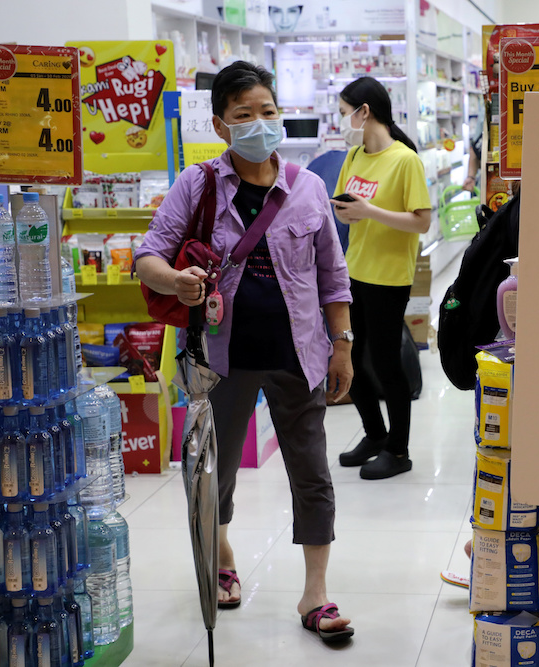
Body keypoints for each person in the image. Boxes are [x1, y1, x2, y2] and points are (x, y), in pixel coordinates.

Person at [135, 61, 354, 643]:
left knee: (312, 475)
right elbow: (148, 256)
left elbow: (334, 279)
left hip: (299, 354)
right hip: (220, 361)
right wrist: (175, 280)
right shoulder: (198, 184)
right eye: (244, 115)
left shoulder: (308, 188)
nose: (260, 123)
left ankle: (317, 593)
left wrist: (343, 345)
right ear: (221, 125)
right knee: (214, 474)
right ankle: (223, 553)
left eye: (268, 112)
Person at [330, 76, 432, 480]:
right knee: (351, 357)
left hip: (389, 277)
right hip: (354, 270)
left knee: (386, 363)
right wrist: (345, 211)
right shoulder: (354, 157)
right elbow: (343, 205)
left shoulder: (405, 160)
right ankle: (374, 433)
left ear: (364, 111)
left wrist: (370, 211)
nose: (341, 122)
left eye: (343, 113)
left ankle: (399, 450)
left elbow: (422, 221)